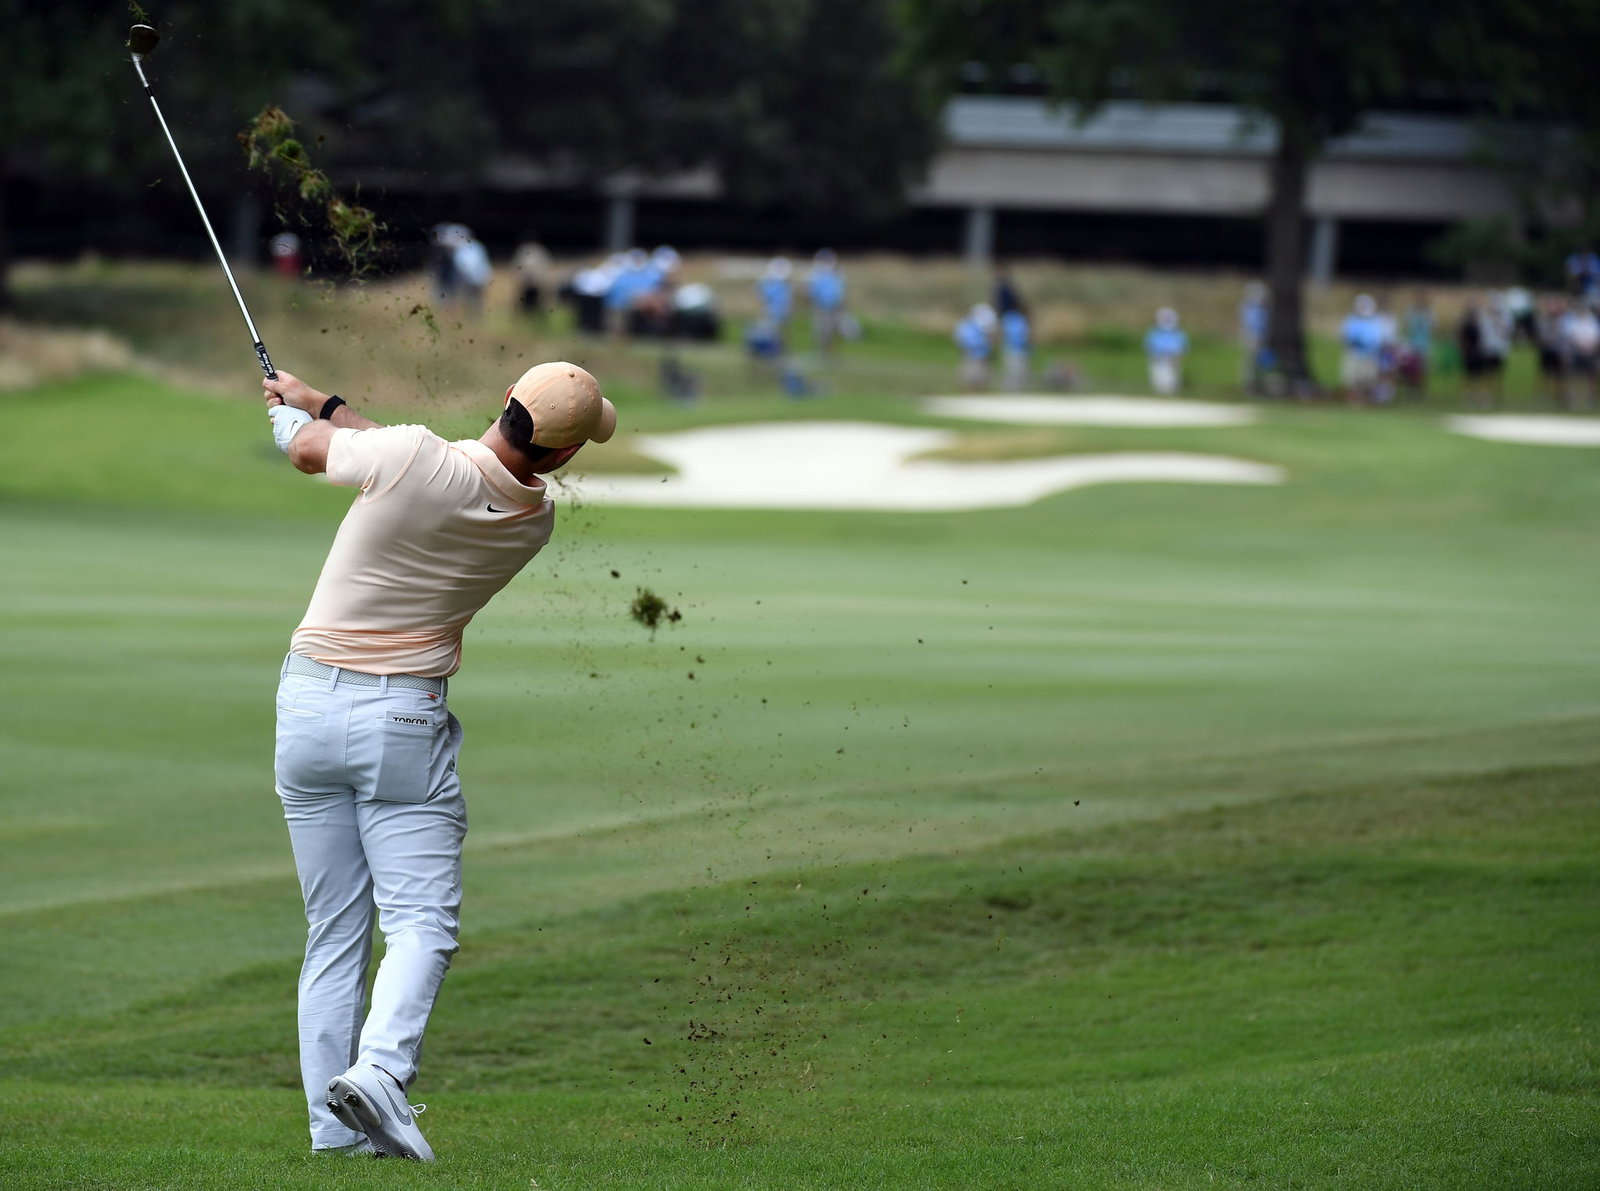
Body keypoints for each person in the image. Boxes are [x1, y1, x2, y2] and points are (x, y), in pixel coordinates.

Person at [262, 360, 617, 1161]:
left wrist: (297, 420)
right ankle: (382, 1071)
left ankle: (336, 1132)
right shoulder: (531, 518)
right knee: (420, 920)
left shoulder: (416, 456)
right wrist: (325, 403)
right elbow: (419, 458)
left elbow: (314, 454)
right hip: (400, 720)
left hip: (307, 705)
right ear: (561, 458)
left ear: (506, 401)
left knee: (334, 930)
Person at [1339, 294, 1387, 405]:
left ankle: (1364, 400)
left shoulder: (1375, 321)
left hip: (1369, 354)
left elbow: (1377, 339)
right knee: (1352, 378)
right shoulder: (1351, 320)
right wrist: (1353, 342)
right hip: (1354, 353)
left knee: (1366, 379)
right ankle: (1354, 400)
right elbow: (1345, 337)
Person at [806, 249, 848, 356]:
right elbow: (813, 292)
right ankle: (823, 352)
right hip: (821, 307)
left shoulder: (837, 274)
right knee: (822, 330)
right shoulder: (816, 275)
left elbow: (840, 291)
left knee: (834, 330)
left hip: (835, 306)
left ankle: (833, 352)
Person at [1143, 307, 1188, 395]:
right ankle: (1157, 395)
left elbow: (1183, 346)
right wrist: (1152, 354)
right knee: (1158, 379)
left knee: (1172, 381)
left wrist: (1179, 356)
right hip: (1158, 358)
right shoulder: (1154, 331)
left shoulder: (1178, 332)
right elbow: (1149, 345)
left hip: (1173, 358)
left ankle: (1171, 395)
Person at [953, 303, 997, 390]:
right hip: (971, 355)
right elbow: (966, 341)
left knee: (983, 377)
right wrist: (984, 343)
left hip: (983, 356)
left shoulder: (980, 323)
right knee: (970, 376)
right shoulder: (967, 325)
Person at [1238, 282, 1270, 394]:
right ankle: (1249, 385)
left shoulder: (1264, 308)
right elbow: (1247, 323)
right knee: (1250, 362)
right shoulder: (1248, 307)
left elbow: (1265, 324)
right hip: (1251, 337)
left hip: (1262, 337)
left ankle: (1260, 384)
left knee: (1263, 362)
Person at [512, 238, 553, 317]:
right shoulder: (525, 251)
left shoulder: (525, 251)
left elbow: (515, 266)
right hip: (528, 282)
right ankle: (529, 316)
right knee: (527, 301)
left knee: (538, 300)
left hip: (535, 282)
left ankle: (535, 316)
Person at [999, 304, 1032, 391]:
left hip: (1015, 350)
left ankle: (1015, 392)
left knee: (1018, 374)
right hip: (1014, 350)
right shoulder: (1016, 320)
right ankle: (1011, 392)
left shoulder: (1011, 319)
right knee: (1014, 374)